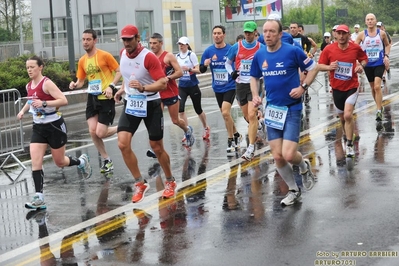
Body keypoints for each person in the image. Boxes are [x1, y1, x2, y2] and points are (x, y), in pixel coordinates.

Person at [250, 19, 318, 206]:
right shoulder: (259, 54)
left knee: (289, 155)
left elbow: (313, 68)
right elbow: (254, 76)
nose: (268, 34)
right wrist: (256, 95)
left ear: (280, 34)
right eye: (265, 31)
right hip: (272, 110)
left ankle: (303, 166)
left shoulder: (292, 51)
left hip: (292, 108)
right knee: (277, 156)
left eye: (272, 31)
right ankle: (294, 190)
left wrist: (303, 87)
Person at [18, 56, 91, 210]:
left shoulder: (47, 83)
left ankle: (81, 162)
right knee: (36, 162)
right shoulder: (29, 85)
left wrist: (45, 103)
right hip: (38, 127)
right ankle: (39, 197)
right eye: (27, 67)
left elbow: (63, 100)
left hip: (54, 126)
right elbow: (31, 100)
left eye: (32, 67)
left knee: (60, 162)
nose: (29, 70)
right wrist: (23, 111)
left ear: (40, 67)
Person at [114, 24, 175, 203]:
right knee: (122, 144)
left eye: (129, 39)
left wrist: (143, 87)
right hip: (132, 103)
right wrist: (121, 89)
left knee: (156, 147)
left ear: (137, 38)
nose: (126, 43)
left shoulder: (148, 57)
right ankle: (140, 183)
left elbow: (163, 83)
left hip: (151, 104)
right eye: (124, 39)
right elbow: (129, 77)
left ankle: (170, 181)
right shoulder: (122, 54)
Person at [69, 29, 121, 173]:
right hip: (92, 98)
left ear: (95, 40)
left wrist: (111, 86)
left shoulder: (105, 55)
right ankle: (106, 160)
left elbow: (119, 71)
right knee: (93, 131)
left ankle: (122, 126)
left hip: (106, 97)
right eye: (83, 39)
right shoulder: (82, 60)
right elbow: (80, 81)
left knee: (101, 133)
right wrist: (74, 84)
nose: (85, 42)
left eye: (88, 39)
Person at [318, 24, 368, 158]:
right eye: (338, 33)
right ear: (335, 34)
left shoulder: (355, 47)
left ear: (348, 34)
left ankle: (350, 144)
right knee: (342, 118)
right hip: (336, 88)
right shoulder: (329, 49)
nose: (341, 36)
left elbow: (364, 59)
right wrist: (329, 67)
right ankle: (347, 134)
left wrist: (360, 66)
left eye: (343, 33)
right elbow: (319, 66)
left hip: (352, 86)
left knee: (347, 115)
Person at [225, 21, 265, 161]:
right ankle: (259, 124)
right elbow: (227, 63)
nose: (247, 35)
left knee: (251, 114)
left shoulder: (261, 48)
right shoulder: (237, 47)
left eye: (250, 32)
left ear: (255, 32)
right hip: (241, 85)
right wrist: (232, 73)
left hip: (255, 84)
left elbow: (268, 62)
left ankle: (250, 148)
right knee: (247, 116)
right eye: (245, 32)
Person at [200, 25, 242, 155]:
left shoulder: (231, 49)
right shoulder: (208, 51)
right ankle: (236, 134)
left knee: (225, 113)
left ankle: (230, 140)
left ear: (224, 35)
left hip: (230, 85)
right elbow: (201, 69)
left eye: (219, 33)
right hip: (217, 87)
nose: (217, 35)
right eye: (214, 33)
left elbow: (236, 67)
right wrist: (204, 65)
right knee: (226, 115)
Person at [149, 33, 195, 148]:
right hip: (157, 94)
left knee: (175, 120)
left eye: (155, 43)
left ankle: (187, 130)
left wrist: (168, 78)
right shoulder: (149, 56)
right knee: (157, 122)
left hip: (170, 92)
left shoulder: (168, 56)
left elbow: (179, 72)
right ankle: (158, 148)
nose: (152, 46)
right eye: (150, 43)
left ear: (161, 43)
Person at [355, 13, 390, 122]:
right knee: (372, 87)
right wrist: (357, 61)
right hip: (367, 64)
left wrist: (386, 56)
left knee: (377, 86)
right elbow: (354, 47)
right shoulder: (362, 34)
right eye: (368, 19)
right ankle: (379, 105)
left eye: (372, 19)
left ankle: (379, 110)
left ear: (375, 21)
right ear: (365, 22)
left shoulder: (382, 33)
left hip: (379, 63)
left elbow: (388, 45)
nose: (370, 21)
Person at [176, 36, 210, 141]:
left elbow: (199, 70)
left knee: (198, 109)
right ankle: (187, 131)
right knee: (180, 110)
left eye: (182, 44)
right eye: (179, 44)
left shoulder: (191, 55)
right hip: (182, 86)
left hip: (192, 85)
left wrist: (189, 69)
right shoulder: (176, 56)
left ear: (187, 45)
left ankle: (206, 128)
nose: (181, 46)